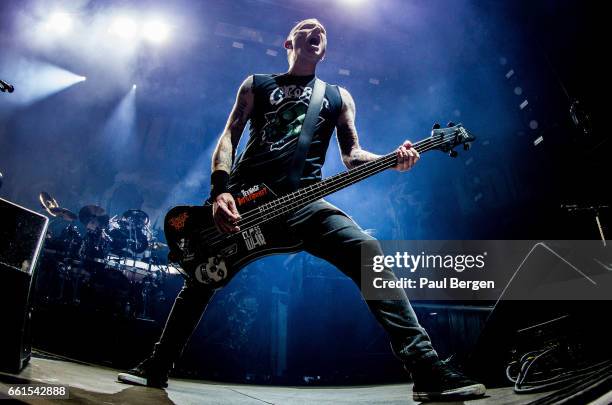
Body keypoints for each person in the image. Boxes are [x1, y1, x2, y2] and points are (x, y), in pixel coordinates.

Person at [118, 18, 486, 401]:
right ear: (288, 41)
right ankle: (157, 367)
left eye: (322, 31)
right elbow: (229, 134)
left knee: (367, 251)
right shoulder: (257, 84)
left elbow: (352, 156)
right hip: (246, 201)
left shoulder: (337, 96)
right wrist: (220, 192)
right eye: (307, 26)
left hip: (305, 201)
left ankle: (426, 368)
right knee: (203, 275)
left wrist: (393, 159)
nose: (317, 30)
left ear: (324, 49)